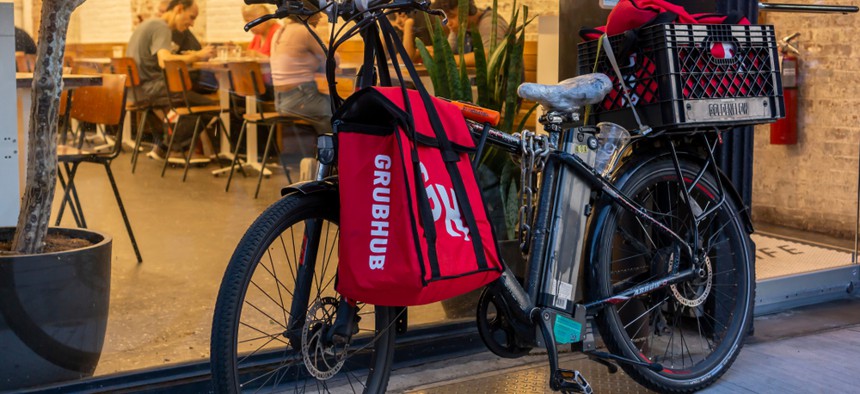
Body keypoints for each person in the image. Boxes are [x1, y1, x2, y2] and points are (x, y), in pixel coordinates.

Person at [126, 0, 215, 161]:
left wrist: (185, 56)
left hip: (136, 91)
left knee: (189, 103)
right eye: (191, 17)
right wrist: (198, 55)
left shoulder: (148, 24)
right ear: (179, 9)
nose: (192, 24)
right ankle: (174, 149)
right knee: (209, 106)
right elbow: (164, 60)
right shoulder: (162, 27)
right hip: (151, 89)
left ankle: (163, 147)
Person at [269, 8, 332, 135]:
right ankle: (337, 153)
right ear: (305, 13)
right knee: (340, 110)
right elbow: (332, 60)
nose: (320, 16)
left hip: (281, 101)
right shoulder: (305, 30)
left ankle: (323, 150)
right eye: (316, 11)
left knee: (332, 108)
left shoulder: (280, 31)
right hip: (301, 98)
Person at [401, 0, 508, 67]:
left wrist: (449, 59)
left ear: (469, 10)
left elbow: (490, 55)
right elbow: (448, 52)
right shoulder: (459, 28)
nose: (448, 23)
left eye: (451, 16)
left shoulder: (489, 22)